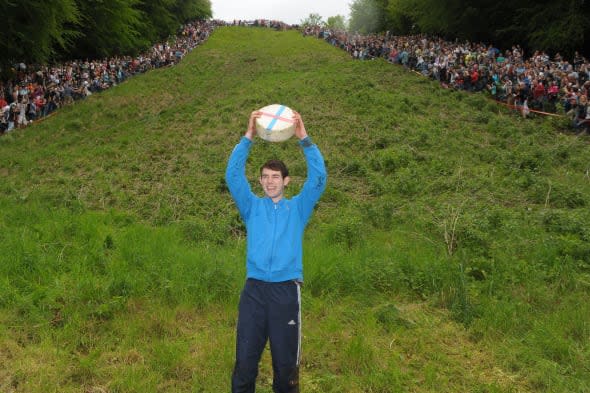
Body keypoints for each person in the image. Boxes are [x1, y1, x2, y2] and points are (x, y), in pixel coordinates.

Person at [225, 109, 327, 393]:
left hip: (285, 292)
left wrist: (303, 138)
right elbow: (233, 176)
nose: (270, 181)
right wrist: (248, 137)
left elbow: (319, 178)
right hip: (254, 291)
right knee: (244, 362)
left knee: (285, 367)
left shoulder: (298, 208)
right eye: (265, 177)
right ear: (260, 182)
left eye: (275, 177)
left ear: (286, 181)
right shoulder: (252, 207)